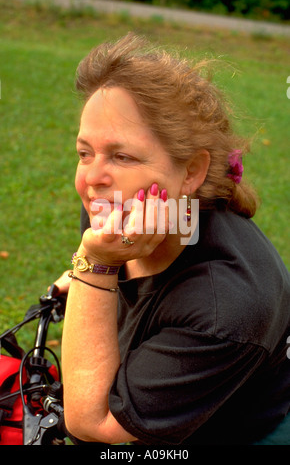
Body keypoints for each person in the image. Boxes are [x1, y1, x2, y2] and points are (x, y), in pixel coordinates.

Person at [54, 33, 290, 445]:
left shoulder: (225, 307)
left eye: (122, 156)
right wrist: (78, 278)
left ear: (193, 172)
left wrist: (94, 268)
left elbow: (93, 426)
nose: (92, 179)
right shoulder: (119, 207)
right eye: (84, 152)